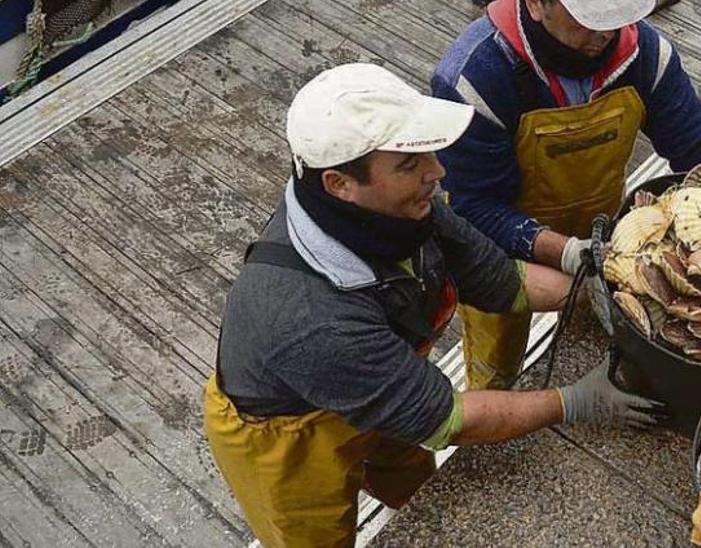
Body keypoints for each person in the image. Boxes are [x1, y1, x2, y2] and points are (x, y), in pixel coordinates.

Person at [202, 63, 663, 548]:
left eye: (426, 154)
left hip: (381, 371)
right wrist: (574, 403)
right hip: (289, 433)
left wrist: (604, 287)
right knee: (314, 539)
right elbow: (447, 419)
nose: (436, 172)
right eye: (408, 165)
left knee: (415, 482)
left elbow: (505, 282)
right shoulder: (310, 319)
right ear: (339, 183)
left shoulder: (400, 209)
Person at [433, 0, 701, 390]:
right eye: (590, 20)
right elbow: (475, 207)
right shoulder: (474, 79)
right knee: (496, 357)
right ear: (535, 4)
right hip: (500, 246)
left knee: (609, 317)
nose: (605, 34)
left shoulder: (645, 54)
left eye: (616, 17)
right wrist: (564, 252)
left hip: (601, 229)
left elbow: (697, 141)